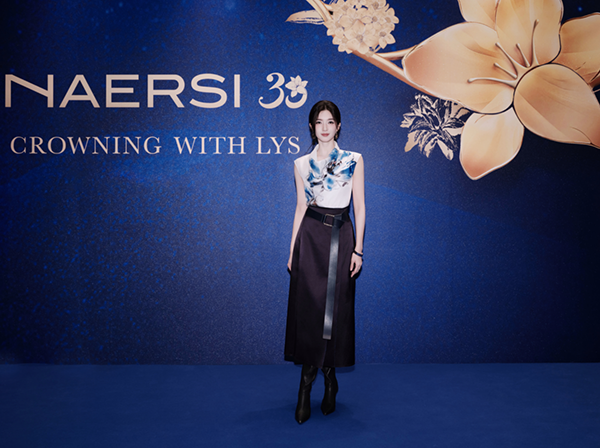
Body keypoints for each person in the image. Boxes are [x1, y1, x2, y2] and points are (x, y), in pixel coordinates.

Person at [285, 100, 365, 424]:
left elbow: (360, 206)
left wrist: (359, 249)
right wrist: (292, 250)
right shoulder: (301, 164)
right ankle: (306, 387)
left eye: (330, 121)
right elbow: (300, 207)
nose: (325, 128)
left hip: (341, 239)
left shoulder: (353, 160)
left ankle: (329, 380)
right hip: (310, 239)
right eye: (319, 122)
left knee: (335, 315)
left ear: (338, 126)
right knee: (310, 314)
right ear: (311, 127)